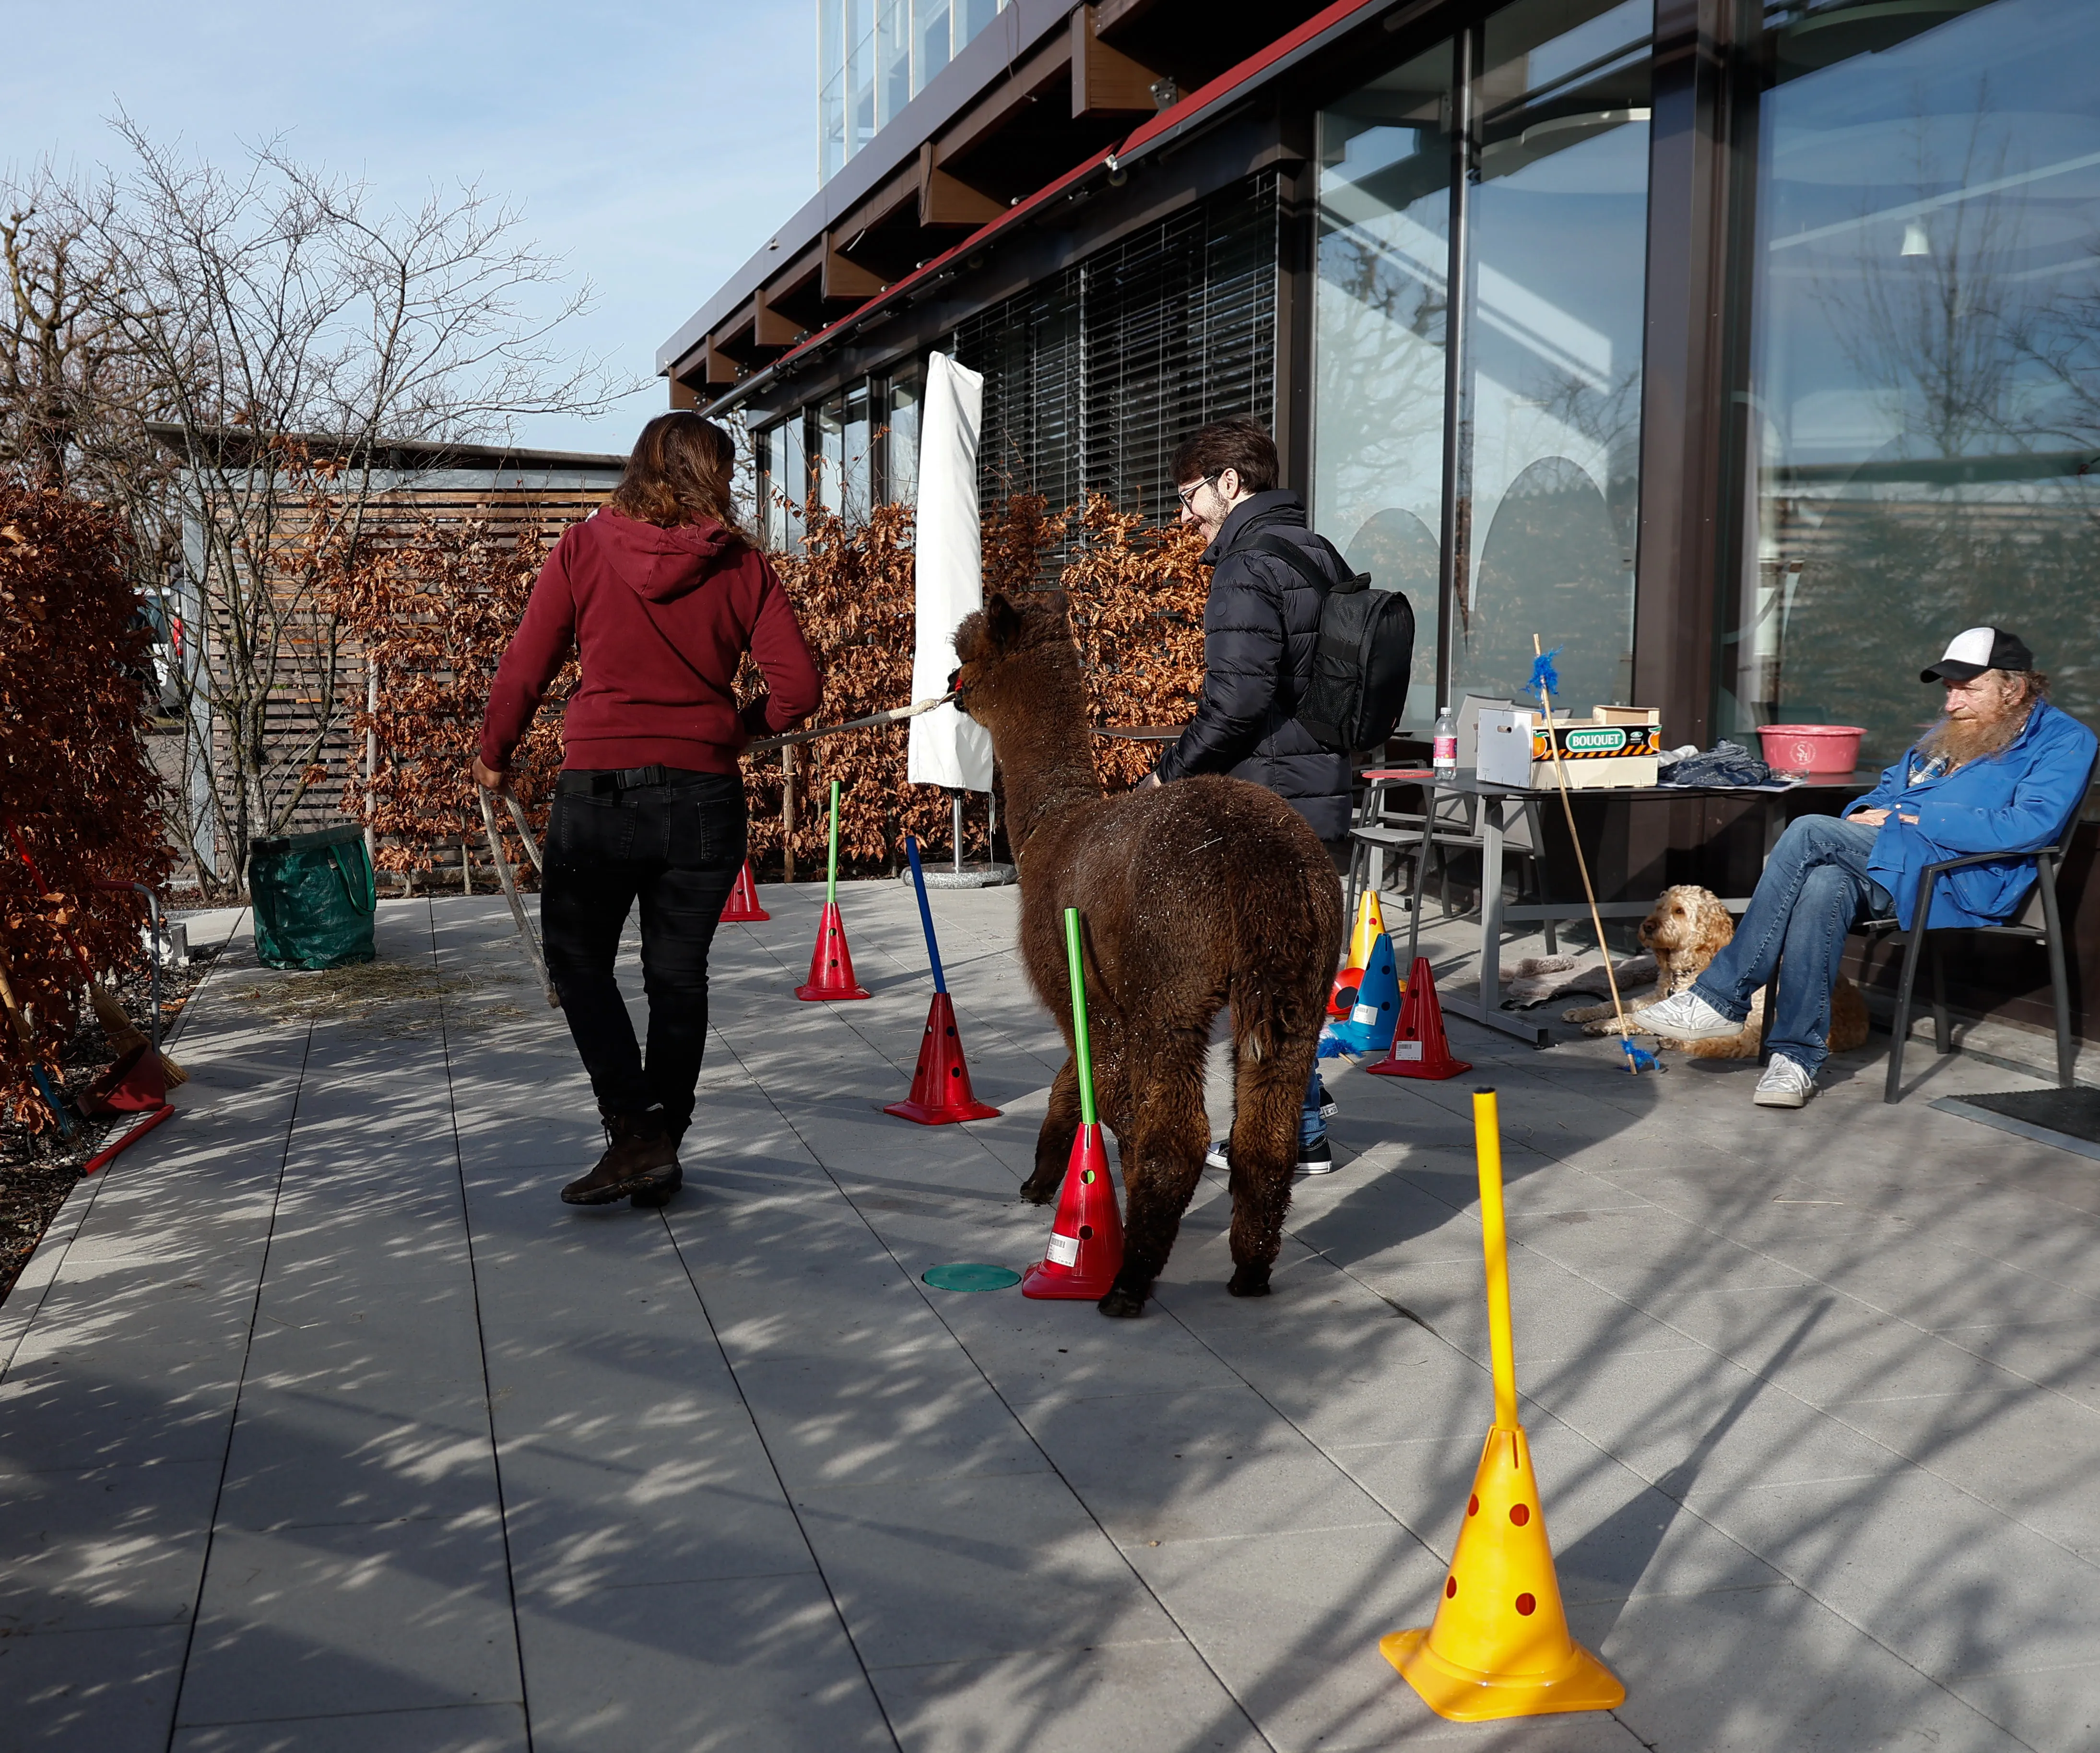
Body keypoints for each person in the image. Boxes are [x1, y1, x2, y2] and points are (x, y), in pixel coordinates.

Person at [475, 413, 821, 1205]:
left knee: (577, 960)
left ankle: (636, 1131)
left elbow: (526, 663)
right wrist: (732, 730)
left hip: (599, 791)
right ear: (714, 476)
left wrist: (493, 752)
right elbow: (797, 689)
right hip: (703, 796)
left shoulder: (583, 547)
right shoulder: (742, 566)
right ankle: (661, 1137)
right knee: (676, 974)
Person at [1641, 628, 2095, 1107]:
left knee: (1808, 831)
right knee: (1822, 882)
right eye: (1948, 689)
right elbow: (1883, 796)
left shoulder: (2064, 742)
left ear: (2014, 688)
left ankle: (1720, 998)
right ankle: (1795, 1060)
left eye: (1967, 689)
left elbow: (2030, 826)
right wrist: (1862, 814)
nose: (1951, 703)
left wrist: (1911, 817)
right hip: (1895, 863)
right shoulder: (1950, 737)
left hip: (1962, 879)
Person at [1147, 416, 1354, 1173]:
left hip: (1264, 806)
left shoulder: (1245, 563)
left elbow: (1235, 703)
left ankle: (1292, 1135)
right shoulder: (1317, 552)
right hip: (1320, 791)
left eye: (1189, 495)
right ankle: (1301, 1119)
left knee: (1256, 979)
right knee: (1283, 973)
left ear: (1228, 484)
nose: (1184, 514)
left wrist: (1166, 776)